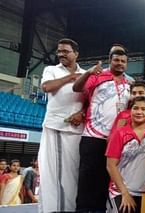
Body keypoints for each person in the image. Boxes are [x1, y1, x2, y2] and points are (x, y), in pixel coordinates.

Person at [73, 49, 131, 211]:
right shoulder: (98, 76)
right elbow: (77, 88)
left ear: (127, 64)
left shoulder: (130, 84)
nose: (119, 63)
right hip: (92, 136)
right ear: (110, 61)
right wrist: (88, 72)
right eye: (116, 60)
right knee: (86, 179)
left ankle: (100, 209)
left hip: (115, 140)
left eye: (123, 61)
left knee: (106, 179)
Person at [38, 38, 86, 212]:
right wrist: (71, 77)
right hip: (56, 126)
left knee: (72, 174)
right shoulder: (51, 70)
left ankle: (71, 208)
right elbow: (47, 87)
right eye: (59, 51)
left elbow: (91, 100)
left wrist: (82, 113)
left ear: (76, 54)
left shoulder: (85, 73)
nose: (61, 54)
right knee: (55, 174)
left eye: (65, 51)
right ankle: (55, 209)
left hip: (77, 130)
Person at [106, 97, 145, 213]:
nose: (139, 112)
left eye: (143, 109)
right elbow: (110, 165)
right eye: (135, 108)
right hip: (121, 192)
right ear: (130, 111)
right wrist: (124, 193)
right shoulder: (120, 133)